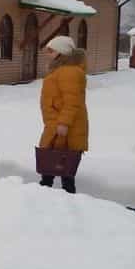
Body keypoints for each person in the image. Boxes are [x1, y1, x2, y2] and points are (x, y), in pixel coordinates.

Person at [38, 36, 89, 194]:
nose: (48, 53)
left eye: (51, 50)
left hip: (64, 127)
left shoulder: (69, 72)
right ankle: (46, 194)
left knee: (62, 165)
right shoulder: (60, 70)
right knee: (53, 163)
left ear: (62, 52)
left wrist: (64, 123)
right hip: (55, 124)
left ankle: (65, 201)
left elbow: (72, 101)